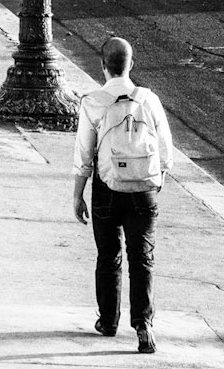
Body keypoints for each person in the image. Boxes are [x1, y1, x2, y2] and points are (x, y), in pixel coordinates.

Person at [72, 34, 173, 352]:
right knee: (142, 258)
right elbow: (166, 152)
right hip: (144, 189)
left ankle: (109, 321)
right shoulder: (149, 99)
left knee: (108, 256)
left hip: (107, 188)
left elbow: (83, 155)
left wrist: (78, 195)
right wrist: (154, 183)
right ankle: (143, 326)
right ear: (132, 64)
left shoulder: (92, 102)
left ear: (102, 66)